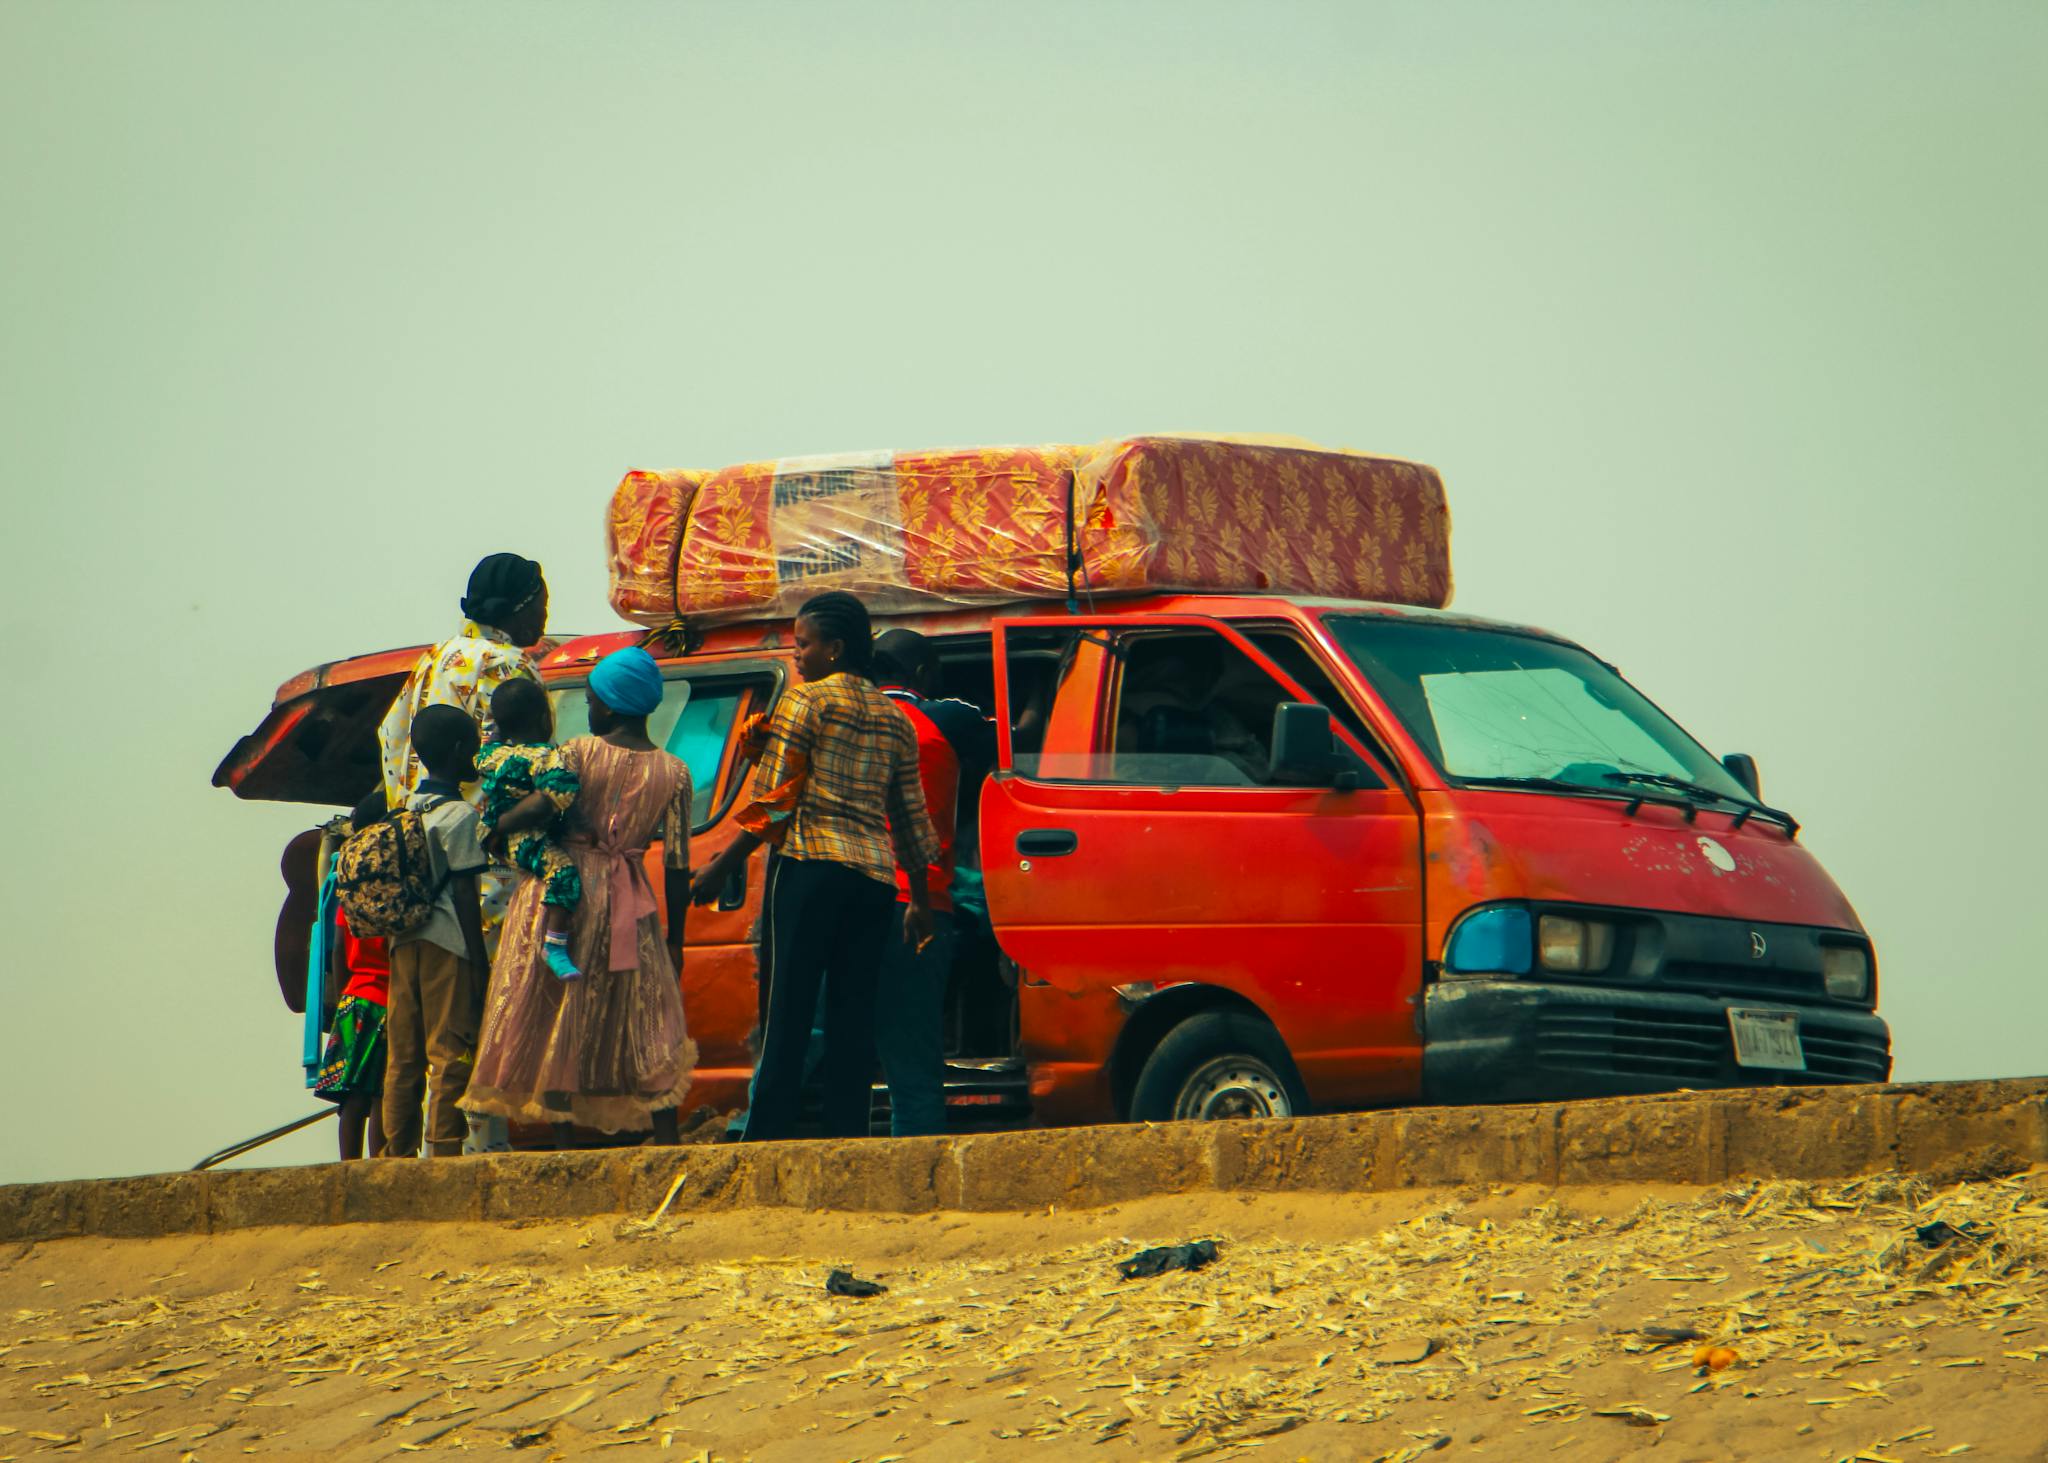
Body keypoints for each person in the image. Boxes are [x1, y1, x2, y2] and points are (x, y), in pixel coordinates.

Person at [690, 591, 942, 1143]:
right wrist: (919, 902)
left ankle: (763, 1146)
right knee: (854, 1022)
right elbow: (911, 819)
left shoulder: (806, 703)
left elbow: (777, 800)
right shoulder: (895, 719)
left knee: (788, 1016)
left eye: (803, 643)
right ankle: (844, 1146)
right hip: (874, 882)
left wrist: (721, 864)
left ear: (836, 647)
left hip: (808, 868)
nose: (796, 653)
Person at [460, 646, 697, 1141]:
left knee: (554, 1012)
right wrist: (676, 937)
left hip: (561, 895)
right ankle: (668, 1139)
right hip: (632, 904)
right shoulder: (675, 773)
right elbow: (678, 864)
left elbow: (544, 810)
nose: (586, 710)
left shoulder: (575, 753)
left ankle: (566, 1147)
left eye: (589, 700)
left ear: (607, 706)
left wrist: (498, 825)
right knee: (645, 1015)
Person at [376, 551, 547, 1152]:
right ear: (522, 607)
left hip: (421, 863)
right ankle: (478, 1143)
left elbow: (391, 736)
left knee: (414, 1037)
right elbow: (530, 759)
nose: (546, 615)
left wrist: (411, 810)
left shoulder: (432, 660)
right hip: (488, 868)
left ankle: (407, 1152)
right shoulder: (512, 666)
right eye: (542, 602)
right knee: (484, 1010)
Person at [870, 627, 996, 1138]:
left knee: (822, 1045)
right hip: (920, 903)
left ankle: (754, 1133)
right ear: (923, 675)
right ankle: (915, 1180)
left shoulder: (841, 718)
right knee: (914, 1063)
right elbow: (1013, 741)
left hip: (848, 901)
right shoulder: (947, 716)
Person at [381, 706, 491, 1158]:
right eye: (474, 748)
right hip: (448, 942)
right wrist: (478, 959)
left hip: (402, 943)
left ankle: (396, 1151)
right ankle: (444, 1148)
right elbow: (465, 892)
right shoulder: (460, 816)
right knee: (449, 1050)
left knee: (403, 1054)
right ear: (460, 750)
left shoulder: (402, 811)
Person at [477, 678, 585, 982]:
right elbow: (559, 794)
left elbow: (485, 745)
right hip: (528, 840)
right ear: (544, 717)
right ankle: (555, 945)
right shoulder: (546, 758)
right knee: (564, 876)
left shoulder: (491, 756)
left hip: (493, 840)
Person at [312, 791, 397, 1159]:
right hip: (387, 1001)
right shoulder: (396, 893)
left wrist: (348, 990)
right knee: (382, 1092)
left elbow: (337, 951)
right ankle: (380, 1166)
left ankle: (348, 1168)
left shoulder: (351, 892)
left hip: (354, 997)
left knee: (351, 1096)